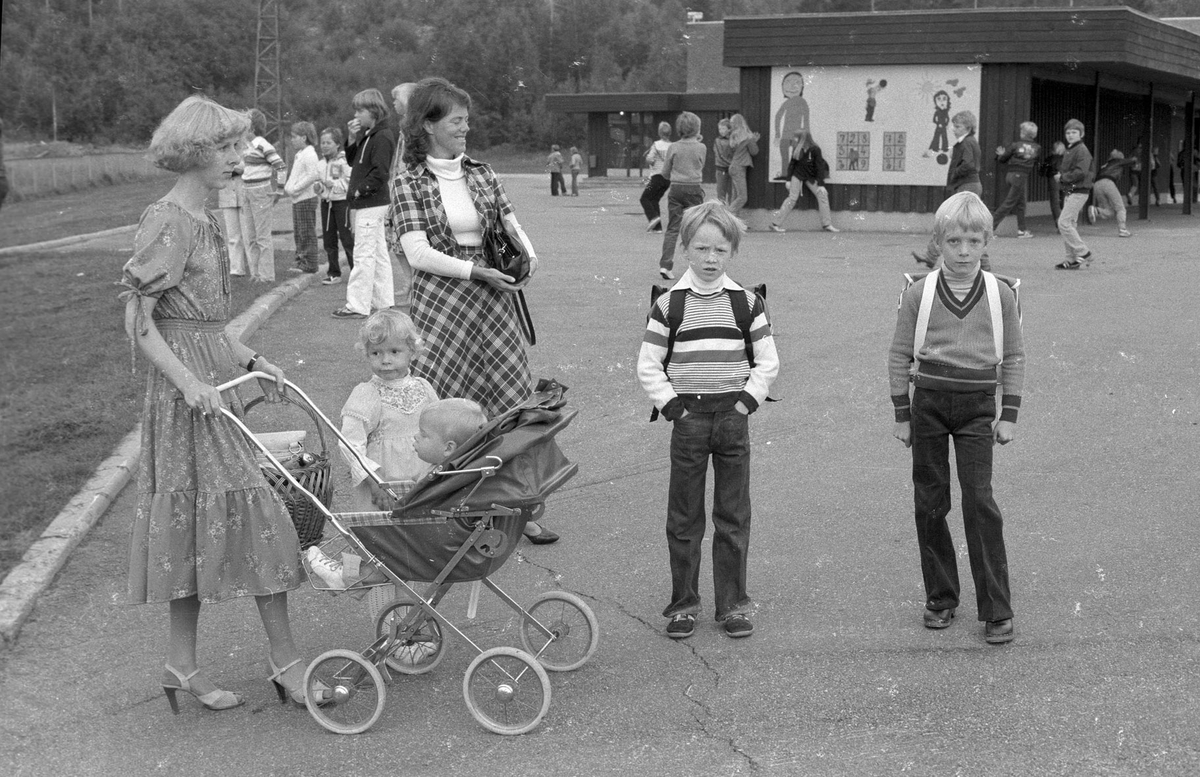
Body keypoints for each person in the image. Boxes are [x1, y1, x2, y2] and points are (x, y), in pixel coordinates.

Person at [118, 95, 324, 712]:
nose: (241, 157)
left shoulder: (204, 222)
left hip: (212, 387)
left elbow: (210, 326)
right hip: (190, 401)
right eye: (227, 149)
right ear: (195, 153)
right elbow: (138, 319)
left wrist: (258, 362)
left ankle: (181, 667)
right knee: (261, 513)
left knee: (198, 529)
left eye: (239, 147)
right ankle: (286, 663)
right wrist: (186, 384)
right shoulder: (168, 220)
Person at [388, 76, 557, 545]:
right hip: (443, 302)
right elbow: (416, 253)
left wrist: (528, 259)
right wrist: (474, 271)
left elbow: (510, 224)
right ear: (428, 126)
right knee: (445, 407)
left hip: (494, 299)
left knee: (510, 398)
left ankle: (521, 508)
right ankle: (451, 510)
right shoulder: (409, 181)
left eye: (466, 121)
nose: (465, 128)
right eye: (457, 121)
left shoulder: (482, 172)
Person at [637, 200, 779, 641]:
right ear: (684, 250)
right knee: (684, 517)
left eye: (720, 250)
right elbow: (648, 364)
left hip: (733, 418)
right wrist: (675, 408)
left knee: (733, 515)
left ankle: (732, 604)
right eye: (701, 249)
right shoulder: (668, 306)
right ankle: (683, 605)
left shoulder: (748, 303)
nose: (711, 259)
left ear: (731, 251)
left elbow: (768, 362)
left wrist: (745, 404)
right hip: (689, 421)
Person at [888, 191, 1025, 646]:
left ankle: (996, 607)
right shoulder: (918, 293)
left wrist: (1009, 415)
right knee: (930, 503)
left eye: (973, 241)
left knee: (980, 502)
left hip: (977, 410)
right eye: (953, 242)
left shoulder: (1000, 293)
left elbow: (1015, 356)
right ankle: (941, 597)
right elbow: (899, 353)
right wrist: (901, 413)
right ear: (938, 243)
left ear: (987, 241)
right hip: (927, 404)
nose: (963, 252)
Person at [307, 398, 488, 591]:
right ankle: (350, 576)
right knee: (387, 544)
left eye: (424, 435)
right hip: (447, 546)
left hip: (432, 548)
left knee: (381, 538)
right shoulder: (461, 472)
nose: (415, 437)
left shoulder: (440, 478)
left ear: (448, 448)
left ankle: (348, 576)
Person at [334, 88, 397, 319]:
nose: (356, 115)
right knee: (378, 253)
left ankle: (357, 305)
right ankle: (383, 301)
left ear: (374, 110)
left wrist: (359, 190)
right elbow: (353, 160)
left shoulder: (382, 136)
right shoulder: (371, 134)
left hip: (370, 202)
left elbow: (381, 172)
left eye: (360, 110)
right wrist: (351, 138)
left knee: (363, 254)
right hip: (371, 203)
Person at [913, 111, 983, 268]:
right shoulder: (967, 142)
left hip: (967, 186)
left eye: (957, 126)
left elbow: (969, 164)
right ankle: (931, 256)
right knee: (955, 221)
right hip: (967, 185)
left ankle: (984, 263)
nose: (953, 129)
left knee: (962, 222)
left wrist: (954, 173)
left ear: (968, 127)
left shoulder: (966, 143)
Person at [657, 111, 707, 281]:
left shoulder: (673, 147)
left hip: (676, 188)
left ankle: (665, 265)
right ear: (697, 128)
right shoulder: (702, 147)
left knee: (673, 228)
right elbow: (701, 166)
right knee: (695, 228)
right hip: (694, 188)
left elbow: (665, 173)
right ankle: (697, 266)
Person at [239, 108, 286, 282]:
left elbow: (280, 166)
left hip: (260, 191)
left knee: (262, 236)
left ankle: (267, 276)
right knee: (250, 236)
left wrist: (279, 190)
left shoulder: (262, 144)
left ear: (252, 127)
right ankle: (256, 274)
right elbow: (247, 169)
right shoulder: (247, 147)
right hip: (247, 191)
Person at [768, 129, 838, 233]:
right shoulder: (797, 148)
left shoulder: (815, 149)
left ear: (803, 138)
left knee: (822, 195)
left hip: (811, 177)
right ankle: (775, 224)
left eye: (796, 137)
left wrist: (821, 184)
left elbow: (819, 167)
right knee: (792, 199)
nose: (794, 139)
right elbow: (792, 164)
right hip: (797, 175)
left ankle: (827, 224)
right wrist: (788, 180)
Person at [315, 127, 354, 285]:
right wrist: (320, 188)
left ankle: (356, 272)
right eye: (322, 142)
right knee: (328, 239)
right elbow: (320, 181)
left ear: (337, 144)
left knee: (347, 239)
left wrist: (334, 185)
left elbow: (350, 181)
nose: (324, 146)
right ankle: (333, 272)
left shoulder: (344, 161)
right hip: (326, 203)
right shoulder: (320, 163)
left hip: (342, 203)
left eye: (328, 142)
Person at [1055, 118, 1094, 270]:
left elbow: (1081, 171)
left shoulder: (1082, 150)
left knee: (1063, 223)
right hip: (1071, 190)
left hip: (1079, 191)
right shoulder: (1071, 149)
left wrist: (1063, 177)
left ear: (1081, 134)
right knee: (1070, 224)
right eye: (1068, 132)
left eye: (1074, 132)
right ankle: (1071, 259)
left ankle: (1083, 252)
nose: (1070, 135)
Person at [282, 121, 321, 274]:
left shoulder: (310, 155)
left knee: (306, 231)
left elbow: (313, 175)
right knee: (299, 231)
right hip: (298, 199)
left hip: (305, 198)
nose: (292, 140)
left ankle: (310, 263)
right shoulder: (300, 155)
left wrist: (295, 188)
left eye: (294, 137)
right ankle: (300, 260)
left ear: (304, 138)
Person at [990, 121, 1040, 238]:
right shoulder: (1037, 148)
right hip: (1021, 176)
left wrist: (1001, 155)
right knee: (1010, 202)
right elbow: (1035, 161)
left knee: (1020, 203)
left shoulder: (1015, 145)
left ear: (1023, 133)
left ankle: (1022, 229)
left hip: (1010, 175)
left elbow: (1003, 159)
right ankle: (989, 228)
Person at [1087, 149, 1136, 238]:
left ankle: (1096, 210)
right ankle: (1122, 229)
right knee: (1120, 208)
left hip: (1097, 185)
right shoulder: (1117, 161)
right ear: (1119, 157)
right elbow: (1132, 161)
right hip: (1108, 183)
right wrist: (1136, 157)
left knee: (1109, 211)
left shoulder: (1104, 165)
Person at [772, 71, 810, 180]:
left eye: (797, 83)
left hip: (796, 135)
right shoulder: (786, 103)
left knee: (795, 155)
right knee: (785, 154)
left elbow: (806, 120)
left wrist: (806, 137)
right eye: (787, 82)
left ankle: (794, 174)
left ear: (802, 87)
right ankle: (785, 174)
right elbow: (777, 117)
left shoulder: (802, 102)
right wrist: (777, 134)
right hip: (785, 134)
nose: (792, 86)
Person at [639, 122, 672, 232]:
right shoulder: (673, 146)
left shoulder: (656, 145)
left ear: (659, 132)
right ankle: (658, 228)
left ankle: (653, 217)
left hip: (656, 177)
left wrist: (650, 160)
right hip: (667, 179)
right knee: (654, 200)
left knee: (644, 198)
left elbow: (650, 159)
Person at [726, 114, 760, 215]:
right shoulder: (747, 137)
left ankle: (733, 222)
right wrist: (754, 141)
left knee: (735, 197)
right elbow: (754, 152)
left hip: (733, 167)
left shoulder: (733, 136)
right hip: (740, 168)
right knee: (742, 198)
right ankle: (726, 216)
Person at [1041, 140, 1066, 224]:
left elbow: (1042, 172)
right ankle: (1065, 221)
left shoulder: (1049, 159)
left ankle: (1058, 222)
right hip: (1064, 179)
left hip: (1053, 179)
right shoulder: (1067, 159)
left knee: (1055, 202)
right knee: (1064, 200)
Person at [713, 118, 733, 205]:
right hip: (721, 170)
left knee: (732, 193)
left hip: (732, 170)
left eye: (723, 128)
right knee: (721, 194)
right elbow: (720, 155)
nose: (721, 131)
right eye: (719, 129)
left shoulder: (733, 140)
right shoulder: (718, 141)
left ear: (729, 129)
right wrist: (732, 163)